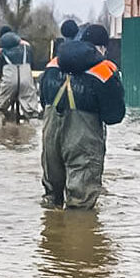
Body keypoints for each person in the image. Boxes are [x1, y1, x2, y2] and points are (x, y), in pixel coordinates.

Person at [39, 23, 125, 209]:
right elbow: (114, 116)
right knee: (80, 208)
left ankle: (50, 236)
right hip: (82, 142)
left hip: (51, 138)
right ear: (102, 48)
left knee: (51, 201)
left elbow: (42, 100)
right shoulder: (104, 71)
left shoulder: (53, 65)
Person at [0, 26, 39, 123]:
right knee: (32, 113)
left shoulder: (0, 50)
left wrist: (3, 80)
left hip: (9, 79)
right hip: (26, 78)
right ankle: (32, 133)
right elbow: (32, 64)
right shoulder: (27, 47)